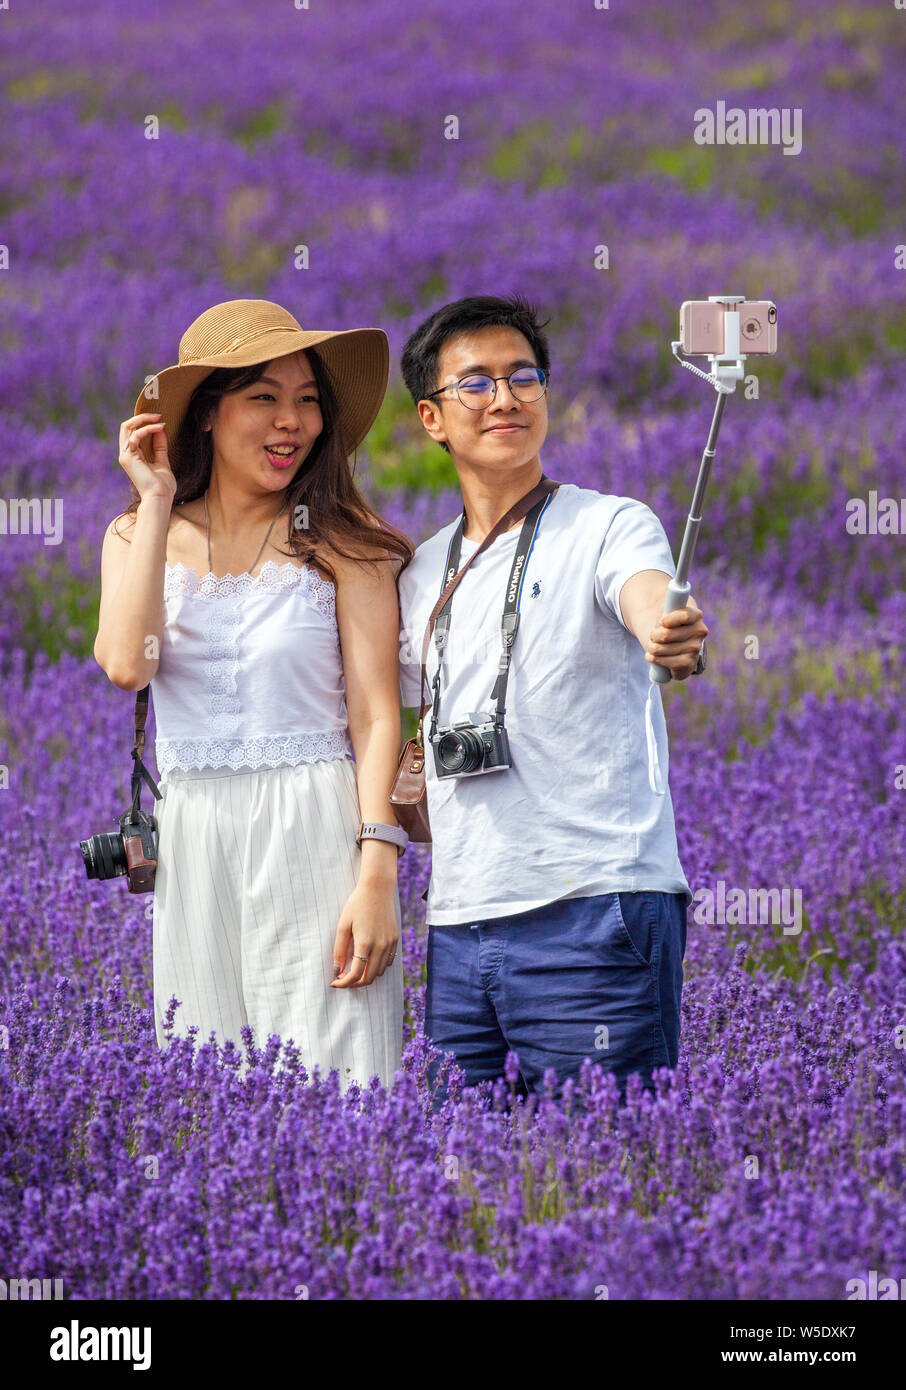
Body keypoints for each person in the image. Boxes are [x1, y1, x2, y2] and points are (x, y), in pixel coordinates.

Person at [93, 298, 414, 1087]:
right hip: (194, 831)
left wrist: (378, 874)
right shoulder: (138, 534)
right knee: (207, 1084)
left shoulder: (347, 542)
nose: (292, 422)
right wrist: (159, 497)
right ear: (205, 413)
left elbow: (377, 717)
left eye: (308, 400)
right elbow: (128, 666)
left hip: (317, 826)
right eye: (264, 397)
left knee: (340, 1078)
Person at [396, 293, 708, 1100]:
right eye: (477, 383)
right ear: (432, 417)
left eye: (524, 378)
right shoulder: (423, 571)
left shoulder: (609, 525)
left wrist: (668, 632)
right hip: (460, 925)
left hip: (594, 909)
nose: (506, 399)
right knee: (460, 1179)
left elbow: (650, 599)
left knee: (601, 1168)